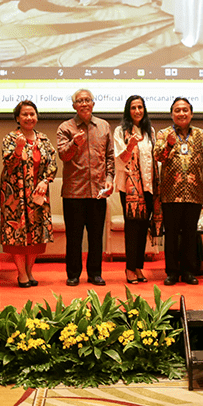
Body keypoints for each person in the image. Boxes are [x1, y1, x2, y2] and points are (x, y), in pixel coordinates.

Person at [56, 89, 115, 287]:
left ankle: (95, 273)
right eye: (80, 101)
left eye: (87, 100)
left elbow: (109, 156)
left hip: (98, 191)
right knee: (74, 237)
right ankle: (73, 274)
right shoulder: (66, 127)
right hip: (74, 191)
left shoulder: (104, 126)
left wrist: (109, 178)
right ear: (74, 106)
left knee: (96, 236)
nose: (84, 104)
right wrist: (74, 144)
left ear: (93, 104)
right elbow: (63, 156)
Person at [154, 97, 203, 286]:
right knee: (171, 234)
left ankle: (188, 271)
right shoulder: (164, 134)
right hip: (170, 193)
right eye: (177, 110)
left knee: (190, 233)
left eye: (185, 110)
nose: (181, 113)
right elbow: (158, 157)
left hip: (194, 193)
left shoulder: (201, 135)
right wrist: (169, 145)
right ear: (172, 114)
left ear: (191, 113)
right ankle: (172, 272)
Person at [0, 100, 57, 287]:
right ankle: (21, 273)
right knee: (17, 233)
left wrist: (45, 181)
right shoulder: (10, 137)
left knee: (36, 234)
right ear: (17, 117)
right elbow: (8, 165)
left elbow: (52, 164)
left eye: (32, 114)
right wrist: (18, 149)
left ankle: (30, 271)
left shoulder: (43, 139)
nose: (29, 117)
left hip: (37, 194)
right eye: (24, 114)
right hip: (15, 195)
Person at [114, 96, 159, 284]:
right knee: (132, 229)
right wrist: (130, 146)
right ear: (128, 110)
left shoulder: (150, 130)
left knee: (143, 229)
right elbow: (119, 159)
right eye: (133, 107)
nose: (137, 111)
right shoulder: (120, 131)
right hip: (130, 188)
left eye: (140, 107)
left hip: (148, 186)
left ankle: (139, 267)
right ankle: (130, 268)